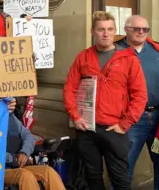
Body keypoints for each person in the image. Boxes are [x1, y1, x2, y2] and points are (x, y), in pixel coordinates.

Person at [63, 11, 147, 190]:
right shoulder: (83, 57)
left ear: (115, 31)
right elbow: (69, 88)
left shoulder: (128, 59)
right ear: (93, 31)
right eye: (101, 29)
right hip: (87, 128)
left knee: (120, 179)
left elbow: (140, 95)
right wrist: (75, 117)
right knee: (92, 177)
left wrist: (125, 124)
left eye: (110, 29)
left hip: (114, 129)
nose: (106, 34)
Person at [0, 79, 65, 190]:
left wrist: (24, 152)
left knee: (48, 172)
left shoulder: (7, 116)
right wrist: (13, 159)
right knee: (25, 176)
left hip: (17, 165)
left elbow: (28, 136)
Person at [114, 15, 159, 188]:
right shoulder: (114, 51)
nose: (141, 32)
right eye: (136, 29)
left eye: (145, 29)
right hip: (131, 118)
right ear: (126, 29)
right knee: (124, 168)